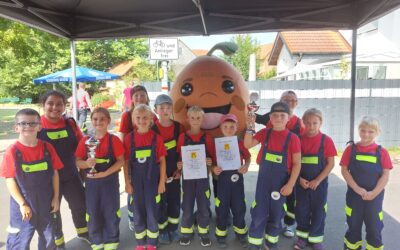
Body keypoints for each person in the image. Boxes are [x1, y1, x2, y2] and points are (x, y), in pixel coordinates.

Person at [1, 108, 62, 250]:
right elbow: (9, 180)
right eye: (23, 123)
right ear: (16, 127)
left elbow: (55, 174)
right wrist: (22, 204)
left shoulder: (48, 148)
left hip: (46, 203)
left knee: (48, 239)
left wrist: (56, 198)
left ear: (39, 126)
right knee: (20, 241)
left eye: (32, 123)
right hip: (24, 206)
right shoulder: (12, 151)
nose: (28, 126)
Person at [244, 102, 301, 250]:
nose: (279, 118)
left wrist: (290, 185)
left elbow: (297, 164)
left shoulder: (293, 138)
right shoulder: (265, 133)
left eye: (283, 116)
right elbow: (247, 144)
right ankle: (254, 243)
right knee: (260, 212)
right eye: (275, 115)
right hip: (263, 182)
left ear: (288, 118)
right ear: (270, 117)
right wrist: (250, 127)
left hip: (281, 184)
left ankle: (271, 242)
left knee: (276, 214)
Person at [37, 90, 88, 249]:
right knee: (53, 211)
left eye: (59, 104)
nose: (55, 107)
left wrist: (84, 168)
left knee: (80, 205)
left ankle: (83, 232)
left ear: (64, 106)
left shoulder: (70, 123)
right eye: (50, 103)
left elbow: (82, 145)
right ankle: (58, 242)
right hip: (48, 179)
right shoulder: (37, 126)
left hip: (71, 175)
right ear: (43, 105)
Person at [75, 107, 125, 250]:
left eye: (102, 119)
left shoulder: (113, 140)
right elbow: (77, 160)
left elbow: (121, 161)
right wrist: (86, 163)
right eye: (95, 119)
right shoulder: (85, 140)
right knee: (93, 212)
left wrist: (105, 173)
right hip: (91, 185)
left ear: (108, 121)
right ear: (91, 121)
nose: (98, 122)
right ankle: (96, 240)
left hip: (109, 183)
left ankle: (112, 240)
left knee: (111, 211)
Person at [340, 116, 392, 250]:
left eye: (371, 131)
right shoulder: (350, 149)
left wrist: (374, 193)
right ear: (359, 130)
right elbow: (345, 170)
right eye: (363, 130)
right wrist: (357, 188)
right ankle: (351, 247)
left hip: (374, 198)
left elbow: (385, 175)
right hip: (354, 196)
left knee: (374, 227)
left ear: (377, 132)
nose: (366, 134)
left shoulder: (382, 152)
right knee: (353, 225)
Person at [123, 104, 167, 250]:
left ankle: (152, 243)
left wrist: (162, 182)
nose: (142, 121)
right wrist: (127, 183)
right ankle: (141, 243)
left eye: (145, 118)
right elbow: (126, 162)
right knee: (138, 211)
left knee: (152, 211)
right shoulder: (129, 139)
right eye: (138, 118)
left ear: (151, 119)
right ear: (134, 119)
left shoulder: (157, 138)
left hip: (152, 183)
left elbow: (162, 161)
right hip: (135, 183)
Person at [293, 108, 337, 250]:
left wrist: (317, 180)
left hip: (319, 185)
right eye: (308, 123)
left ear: (320, 123)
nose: (311, 126)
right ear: (303, 123)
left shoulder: (326, 141)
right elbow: (293, 163)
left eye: (315, 123)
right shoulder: (297, 140)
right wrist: (298, 179)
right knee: (301, 211)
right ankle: (302, 238)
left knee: (319, 211)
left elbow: (331, 163)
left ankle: (316, 239)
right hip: (301, 184)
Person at [264, 90, 305, 238]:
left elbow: (303, 146)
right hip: (273, 167)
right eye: (286, 99)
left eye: (292, 100)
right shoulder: (272, 120)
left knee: (291, 198)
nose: (289, 102)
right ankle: (272, 221)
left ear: (297, 103)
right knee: (272, 196)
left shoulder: (300, 123)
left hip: (291, 166)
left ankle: (289, 224)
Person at [118, 84, 158, 231]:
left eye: (142, 95)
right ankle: (133, 218)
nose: (140, 98)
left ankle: (148, 218)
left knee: (148, 191)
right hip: (132, 161)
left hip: (149, 161)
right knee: (133, 191)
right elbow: (122, 139)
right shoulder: (126, 116)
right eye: (136, 96)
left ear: (147, 97)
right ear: (132, 99)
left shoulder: (152, 114)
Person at [176, 105, 215, 247]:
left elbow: (212, 158)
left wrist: (209, 163)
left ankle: (203, 233)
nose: (195, 120)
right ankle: (186, 232)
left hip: (203, 179)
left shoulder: (207, 138)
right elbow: (179, 158)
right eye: (192, 118)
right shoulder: (182, 137)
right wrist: (179, 166)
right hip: (187, 179)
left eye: (198, 118)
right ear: (188, 119)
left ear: (202, 119)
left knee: (204, 206)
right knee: (186, 206)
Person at [212, 114, 251, 248]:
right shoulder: (216, 144)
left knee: (239, 207)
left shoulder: (240, 143)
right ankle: (221, 235)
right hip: (222, 182)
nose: (229, 129)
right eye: (226, 127)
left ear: (236, 128)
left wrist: (246, 166)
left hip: (237, 181)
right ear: (221, 128)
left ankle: (241, 234)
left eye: (232, 127)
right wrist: (213, 168)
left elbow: (248, 157)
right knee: (221, 208)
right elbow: (211, 162)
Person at [152, 94, 185, 244]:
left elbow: (183, 151)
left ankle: (173, 228)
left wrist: (180, 170)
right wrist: (160, 175)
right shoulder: (152, 129)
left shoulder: (179, 127)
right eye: (161, 108)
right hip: (159, 175)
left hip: (175, 173)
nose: (165, 111)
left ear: (172, 109)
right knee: (160, 203)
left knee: (174, 201)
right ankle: (163, 230)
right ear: (155, 110)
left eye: (168, 108)